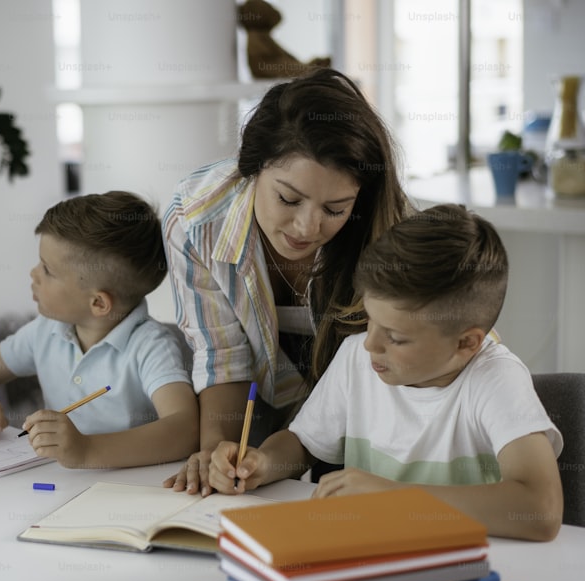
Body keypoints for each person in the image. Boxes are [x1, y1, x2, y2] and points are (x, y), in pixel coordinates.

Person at [209, 205, 564, 541]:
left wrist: (394, 497)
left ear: (465, 344)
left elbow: (541, 510)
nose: (370, 345)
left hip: (458, 569)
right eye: (371, 321)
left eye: (395, 337)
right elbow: (304, 443)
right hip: (363, 555)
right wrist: (263, 461)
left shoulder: (495, 379)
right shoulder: (356, 357)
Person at [162, 67, 410, 495]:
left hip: (375, 436)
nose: (307, 227)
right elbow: (223, 358)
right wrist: (218, 455)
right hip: (270, 430)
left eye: (335, 209)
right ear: (252, 167)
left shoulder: (391, 233)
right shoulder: (195, 218)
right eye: (288, 199)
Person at [0, 191, 199, 469]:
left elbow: (185, 429)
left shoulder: (151, 345)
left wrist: (87, 450)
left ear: (98, 303)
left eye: (48, 270)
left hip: (133, 492)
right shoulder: (45, 330)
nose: (33, 274)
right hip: (60, 487)